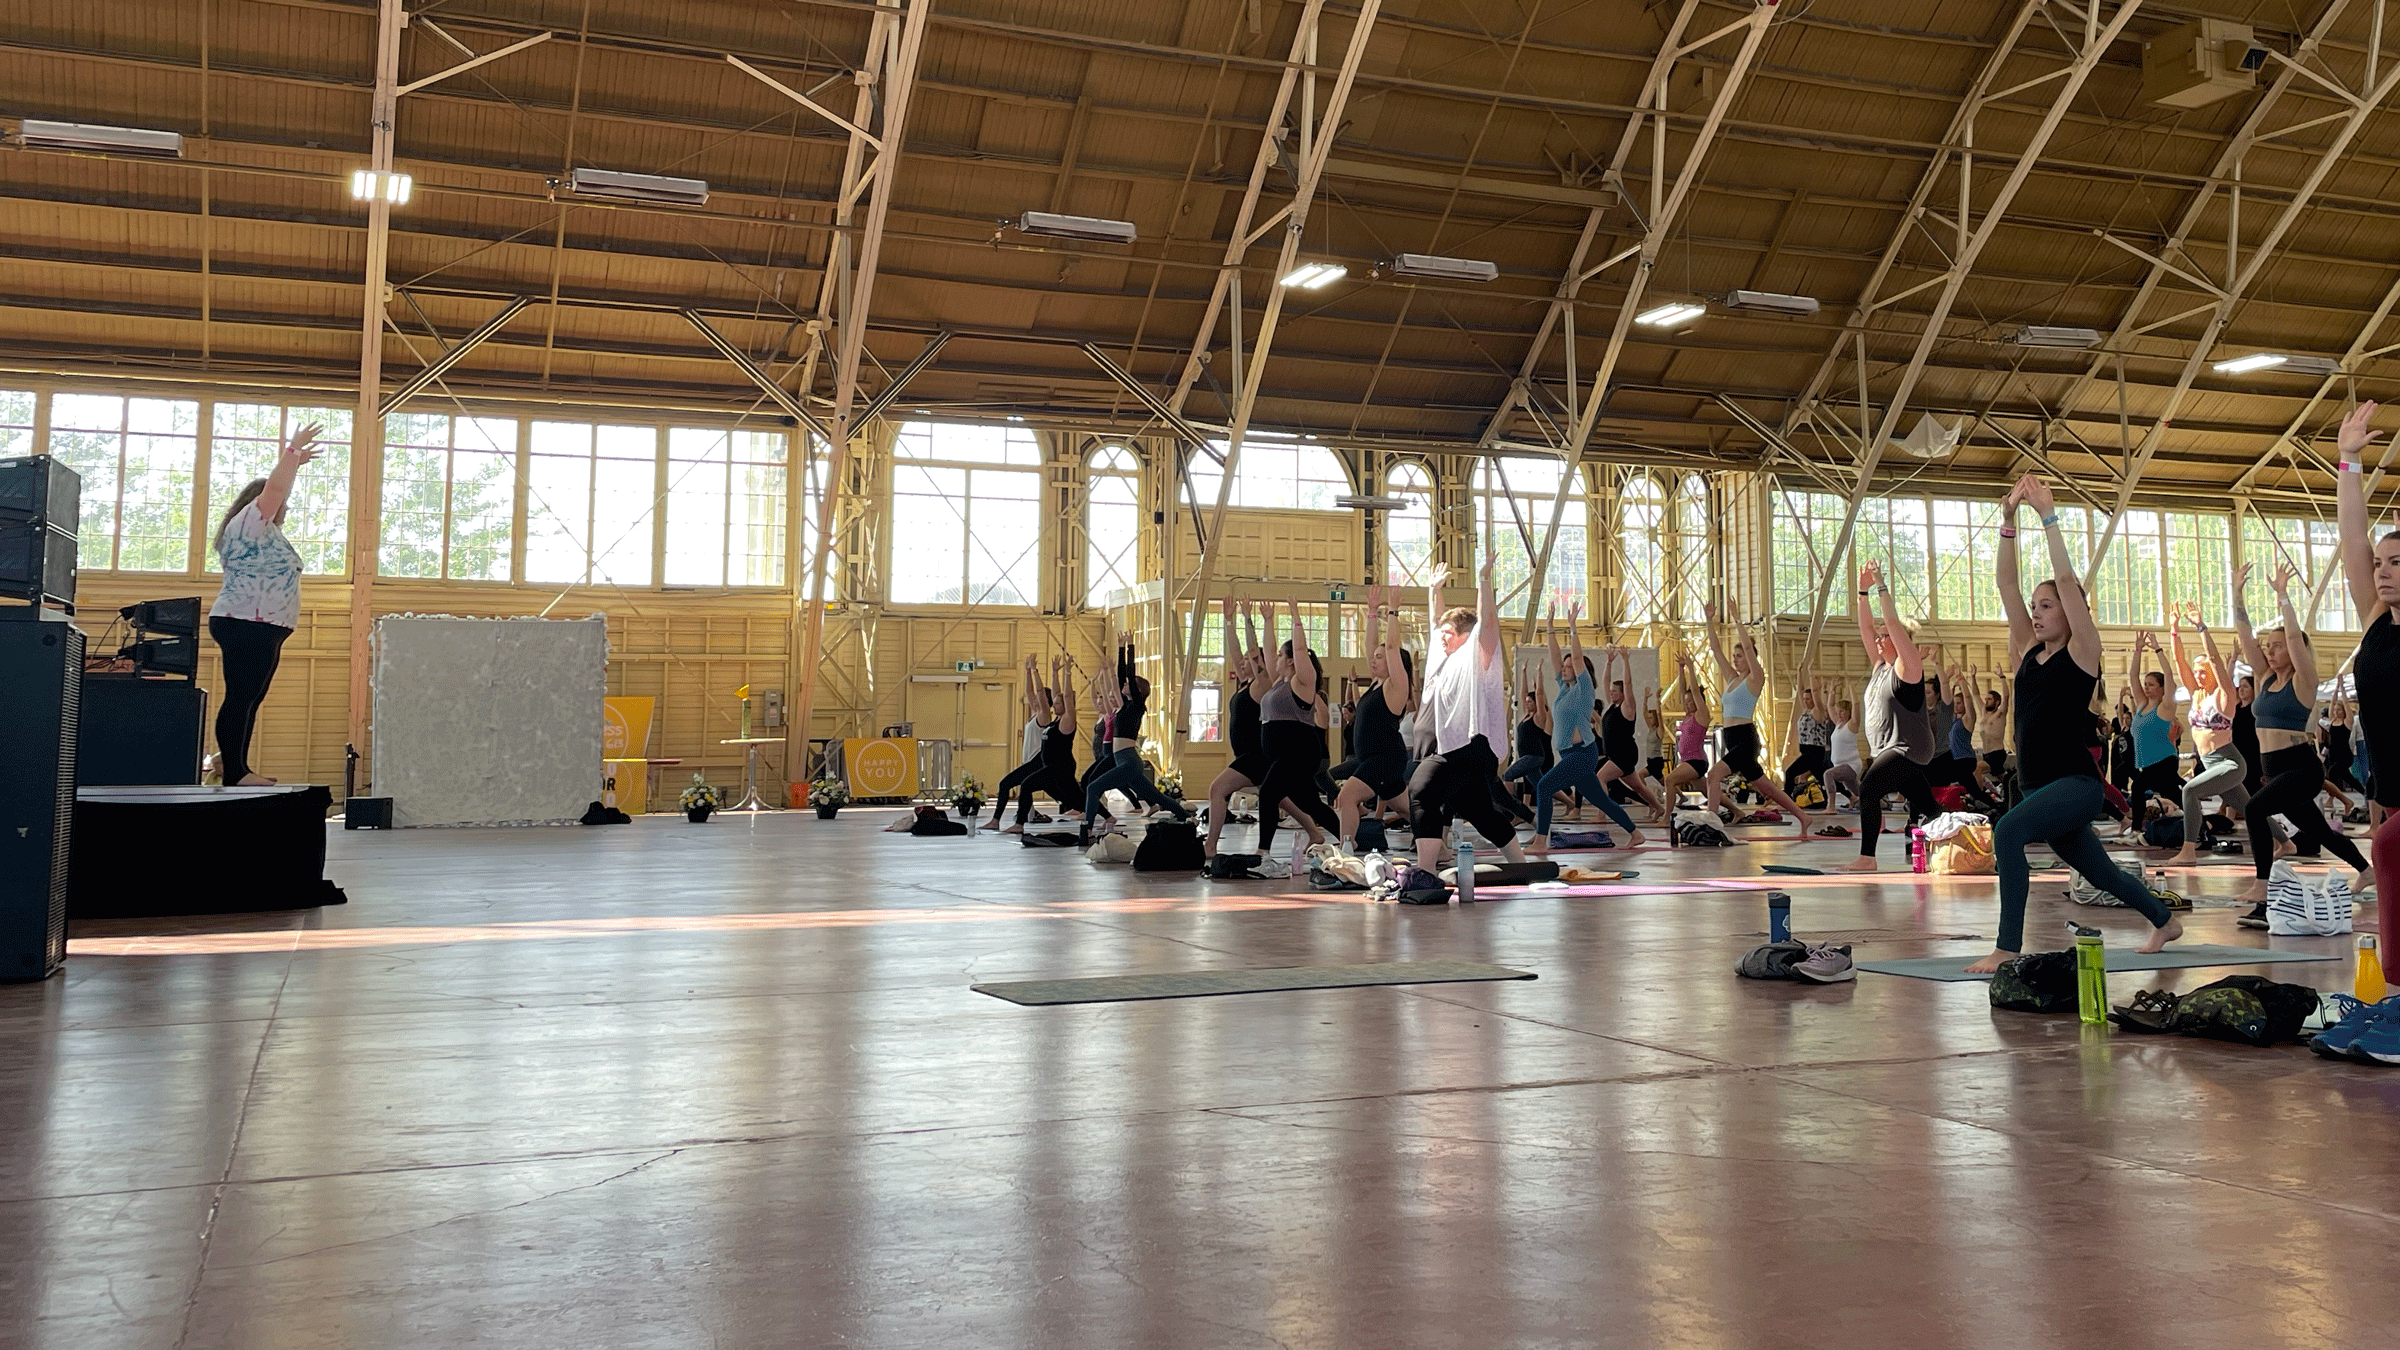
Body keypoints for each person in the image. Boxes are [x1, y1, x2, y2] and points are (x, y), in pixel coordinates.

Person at [1965, 473, 2181, 973]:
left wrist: (2049, 518)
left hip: (2076, 784)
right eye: (2035, 608)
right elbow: (2005, 583)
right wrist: (2007, 522)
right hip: (2039, 785)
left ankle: (2007, 946)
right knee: (2100, 872)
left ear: (2072, 610)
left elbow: (2066, 581)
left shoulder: (2083, 654)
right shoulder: (2028, 654)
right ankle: (2164, 921)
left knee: (2007, 833)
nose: (2036, 615)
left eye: (2047, 607)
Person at [2229, 559, 2372, 914]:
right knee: (2320, 832)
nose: (2269, 650)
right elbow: (2246, 636)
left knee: (2253, 807)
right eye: (2269, 646)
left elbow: (2294, 637)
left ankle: (2262, 884)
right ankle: (2367, 871)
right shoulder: (2263, 679)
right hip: (2274, 769)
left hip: (2302, 768)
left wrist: (2283, 598)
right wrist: (2236, 594)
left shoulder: (2303, 679)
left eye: (2276, 646)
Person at [210, 423, 323, 788]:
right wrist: (292, 452)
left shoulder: (266, 532)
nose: (285, 507)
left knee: (251, 698)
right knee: (242, 694)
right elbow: (274, 488)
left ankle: (232, 763)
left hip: (263, 626)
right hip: (246, 621)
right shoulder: (250, 523)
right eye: (282, 503)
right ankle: (235, 771)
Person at [1406, 556, 1528, 878]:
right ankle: (1521, 865)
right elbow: (1436, 620)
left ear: (1464, 635)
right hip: (1451, 750)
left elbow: (1487, 622)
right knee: (1479, 811)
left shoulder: (1476, 655)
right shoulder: (1441, 656)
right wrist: (1434, 590)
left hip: (1468, 747)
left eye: (1448, 632)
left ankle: (1425, 871)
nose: (1441, 636)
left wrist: (1484, 581)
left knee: (1421, 790)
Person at [2333, 399, 2399, 928]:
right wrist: (2348, 464)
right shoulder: (2378, 621)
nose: (2382, 572)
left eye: (2397, 563)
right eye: (2381, 564)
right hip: (2388, 785)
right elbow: (2353, 539)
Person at [1839, 560, 1941, 872]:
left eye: (1886, 637)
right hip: (1889, 749)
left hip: (1908, 748)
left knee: (1869, 788)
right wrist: (1862, 592)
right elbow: (1866, 628)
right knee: (1929, 808)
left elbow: (1893, 626)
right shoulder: (1879, 666)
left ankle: (1867, 858)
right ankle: (1962, 836)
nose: (1879, 639)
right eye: (1880, 637)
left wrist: (1882, 585)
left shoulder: (1906, 667)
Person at [1526, 600, 1644, 858]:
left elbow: (1576, 658)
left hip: (1582, 753)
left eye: (1570, 668)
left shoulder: (1583, 690)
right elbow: (1556, 658)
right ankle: (1635, 833)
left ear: (1580, 672)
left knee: (1545, 787)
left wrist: (1573, 628)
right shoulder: (1564, 689)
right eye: (1565, 668)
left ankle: (1540, 840)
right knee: (1601, 800)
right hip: (1570, 755)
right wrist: (1549, 627)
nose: (1565, 669)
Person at [1698, 603, 1814, 837]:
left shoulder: (1755, 679)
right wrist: (1709, 619)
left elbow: (1751, 652)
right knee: (1768, 788)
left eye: (1740, 656)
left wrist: (1737, 619)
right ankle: (1804, 817)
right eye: (1735, 656)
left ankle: (1711, 824)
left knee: (1713, 775)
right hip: (1731, 739)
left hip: (1745, 739)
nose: (1736, 659)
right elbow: (1716, 650)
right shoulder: (1732, 679)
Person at [1080, 633, 1191, 845]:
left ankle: (1086, 831)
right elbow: (1124, 677)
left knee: (1093, 788)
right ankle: (1187, 819)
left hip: (1129, 761)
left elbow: (1129, 675)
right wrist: (1120, 648)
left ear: (1137, 690)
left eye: (1129, 685)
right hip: (1123, 760)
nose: (1122, 686)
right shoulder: (1123, 705)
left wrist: (1131, 647)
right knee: (1158, 799)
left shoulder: (1138, 706)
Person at [1252, 602, 1342, 862]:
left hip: (1299, 751)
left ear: (1291, 660)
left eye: (1282, 655)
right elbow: (1268, 651)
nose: (1276, 658)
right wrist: (1268, 620)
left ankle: (1263, 852)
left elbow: (1300, 648)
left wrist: (1296, 617)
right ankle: (1350, 840)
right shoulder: (1278, 681)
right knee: (1310, 804)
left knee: (1268, 793)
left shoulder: (1301, 682)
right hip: (1286, 755)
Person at [2164, 603, 2246, 867]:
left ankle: (2189, 850)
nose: (2198, 676)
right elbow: (2179, 661)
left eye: (2203, 672)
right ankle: (2284, 842)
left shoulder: (2223, 696)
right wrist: (2174, 629)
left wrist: (2201, 627)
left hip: (2228, 762)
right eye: (2196, 672)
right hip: (2210, 762)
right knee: (2251, 808)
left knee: (2189, 791)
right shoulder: (2196, 694)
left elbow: (2216, 661)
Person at [1333, 585, 1414, 849]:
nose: (1374, 660)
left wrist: (1392, 611)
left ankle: (1347, 847)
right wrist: (1370, 612)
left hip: (1385, 758)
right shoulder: (1376, 684)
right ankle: (1443, 847)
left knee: (1346, 798)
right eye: (1374, 657)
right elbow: (1373, 646)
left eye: (1381, 658)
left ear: (1394, 663)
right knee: (1409, 810)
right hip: (1375, 759)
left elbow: (1390, 646)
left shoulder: (1396, 686)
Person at [1203, 598, 1272, 861]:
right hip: (1246, 754)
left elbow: (1253, 651)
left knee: (1216, 790)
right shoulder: (1245, 683)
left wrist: (1247, 619)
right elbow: (1234, 651)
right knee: (1283, 798)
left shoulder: (1262, 683)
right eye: (1241, 660)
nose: (1241, 662)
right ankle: (1314, 831)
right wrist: (1228, 620)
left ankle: (1211, 845)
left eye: (1247, 660)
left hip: (1256, 755)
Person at [1597, 647, 1668, 821]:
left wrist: (1625, 660)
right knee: (1638, 787)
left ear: (1623, 694)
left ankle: (1602, 814)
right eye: (1612, 690)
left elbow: (1628, 683)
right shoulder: (1612, 706)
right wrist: (1608, 662)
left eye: (1616, 690)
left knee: (1599, 778)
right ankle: (1659, 808)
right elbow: (1605, 682)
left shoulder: (1627, 707)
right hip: (1617, 755)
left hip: (1624, 754)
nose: (1612, 692)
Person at [2125, 632, 2184, 832]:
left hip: (2164, 761)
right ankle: (2199, 822)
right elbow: (2133, 676)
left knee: (2138, 788)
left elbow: (2169, 676)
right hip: (2148, 763)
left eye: (2151, 685)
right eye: (2146, 685)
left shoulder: (2165, 708)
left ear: (2161, 688)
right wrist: (2138, 650)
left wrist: (2158, 649)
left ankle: (2136, 829)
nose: (2146, 688)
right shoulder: (2142, 705)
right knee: (2174, 795)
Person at [986, 654, 1052, 830]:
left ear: (1045, 701)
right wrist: (1027, 671)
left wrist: (1035, 670)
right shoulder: (1034, 713)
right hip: (1031, 761)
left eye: (1041, 698)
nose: (1035, 699)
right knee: (1025, 788)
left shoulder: (1045, 716)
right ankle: (1019, 822)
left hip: (1038, 761)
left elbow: (1038, 692)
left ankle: (998, 821)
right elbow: (1030, 693)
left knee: (1005, 784)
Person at [1665, 655, 1709, 800]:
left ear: (1698, 702)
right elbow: (1683, 691)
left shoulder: (1701, 715)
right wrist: (1681, 669)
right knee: (1709, 793)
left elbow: (1695, 691)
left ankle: (1666, 818)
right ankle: (1736, 811)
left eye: (1691, 702)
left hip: (1696, 761)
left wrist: (1691, 667)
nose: (1688, 704)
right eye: (1687, 702)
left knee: (1670, 780)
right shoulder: (1688, 715)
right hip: (1688, 761)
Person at [1783, 676, 1831, 795]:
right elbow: (1799, 691)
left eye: (1808, 699)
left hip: (1814, 751)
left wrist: (1810, 674)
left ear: (1814, 700)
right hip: (1806, 750)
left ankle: (1786, 800)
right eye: (1804, 699)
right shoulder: (1806, 711)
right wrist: (1799, 673)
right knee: (1823, 778)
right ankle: (1851, 797)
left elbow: (1816, 694)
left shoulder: (1818, 711)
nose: (1805, 701)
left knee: (1789, 773)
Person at [1824, 694, 1862, 810]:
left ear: (1848, 712)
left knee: (1828, 774)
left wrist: (1851, 687)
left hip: (1851, 765)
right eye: (1838, 712)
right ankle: (1882, 803)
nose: (1838, 714)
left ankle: (1831, 807)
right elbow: (1829, 705)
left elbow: (1856, 705)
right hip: (1841, 765)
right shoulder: (1838, 724)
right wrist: (1832, 689)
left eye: (1842, 711)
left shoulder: (1852, 725)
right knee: (1861, 793)